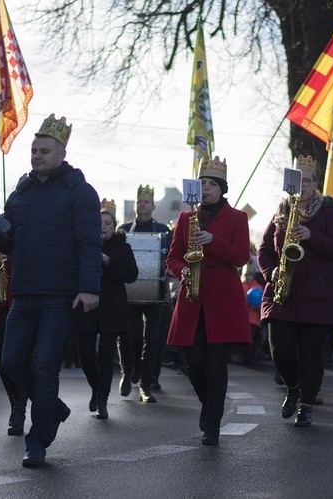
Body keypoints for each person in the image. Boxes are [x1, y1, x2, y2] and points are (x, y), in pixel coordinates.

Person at [0, 114, 102, 467]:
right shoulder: (22, 191)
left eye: (44, 151)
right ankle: (54, 408)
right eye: (33, 150)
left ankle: (38, 442)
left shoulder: (80, 192)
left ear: (62, 153)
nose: (36, 156)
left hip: (59, 295)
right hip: (24, 291)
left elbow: (89, 243)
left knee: (46, 367)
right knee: (12, 361)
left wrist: (89, 288)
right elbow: (11, 242)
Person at [257, 155, 333, 428]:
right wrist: (270, 272)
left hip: (317, 295)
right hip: (283, 291)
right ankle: (293, 387)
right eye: (298, 181)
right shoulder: (281, 211)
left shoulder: (328, 212)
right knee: (280, 349)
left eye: (307, 181)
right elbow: (263, 250)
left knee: (311, 352)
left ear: (315, 183)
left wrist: (312, 237)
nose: (302, 186)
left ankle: (306, 405)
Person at [166, 155, 251, 446]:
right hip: (193, 294)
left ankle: (212, 423)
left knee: (216, 363)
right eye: (202, 182)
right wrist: (183, 274)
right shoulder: (186, 217)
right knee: (194, 363)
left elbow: (241, 256)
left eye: (212, 184)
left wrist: (213, 241)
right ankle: (210, 405)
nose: (205, 188)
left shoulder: (238, 217)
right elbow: (172, 258)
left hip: (223, 296)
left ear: (222, 188)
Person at [72, 199, 138, 419]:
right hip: (87, 307)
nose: (103, 227)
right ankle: (96, 387)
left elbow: (132, 274)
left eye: (107, 223)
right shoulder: (84, 245)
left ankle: (103, 400)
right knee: (86, 357)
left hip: (112, 308)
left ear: (114, 225)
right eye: (99, 222)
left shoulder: (123, 246)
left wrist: (108, 261)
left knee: (106, 354)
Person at [117, 184, 172, 401]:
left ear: (153, 206)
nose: (142, 204)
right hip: (130, 293)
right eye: (139, 201)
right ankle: (130, 370)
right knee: (132, 337)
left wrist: (169, 268)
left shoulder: (164, 231)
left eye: (146, 201)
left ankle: (146, 384)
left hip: (156, 293)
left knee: (154, 339)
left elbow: (171, 256)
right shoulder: (123, 230)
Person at [0, 250, 28, 436]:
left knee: (20, 360)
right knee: (1, 360)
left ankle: (20, 404)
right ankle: (15, 401)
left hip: (22, 304)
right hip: (1, 307)